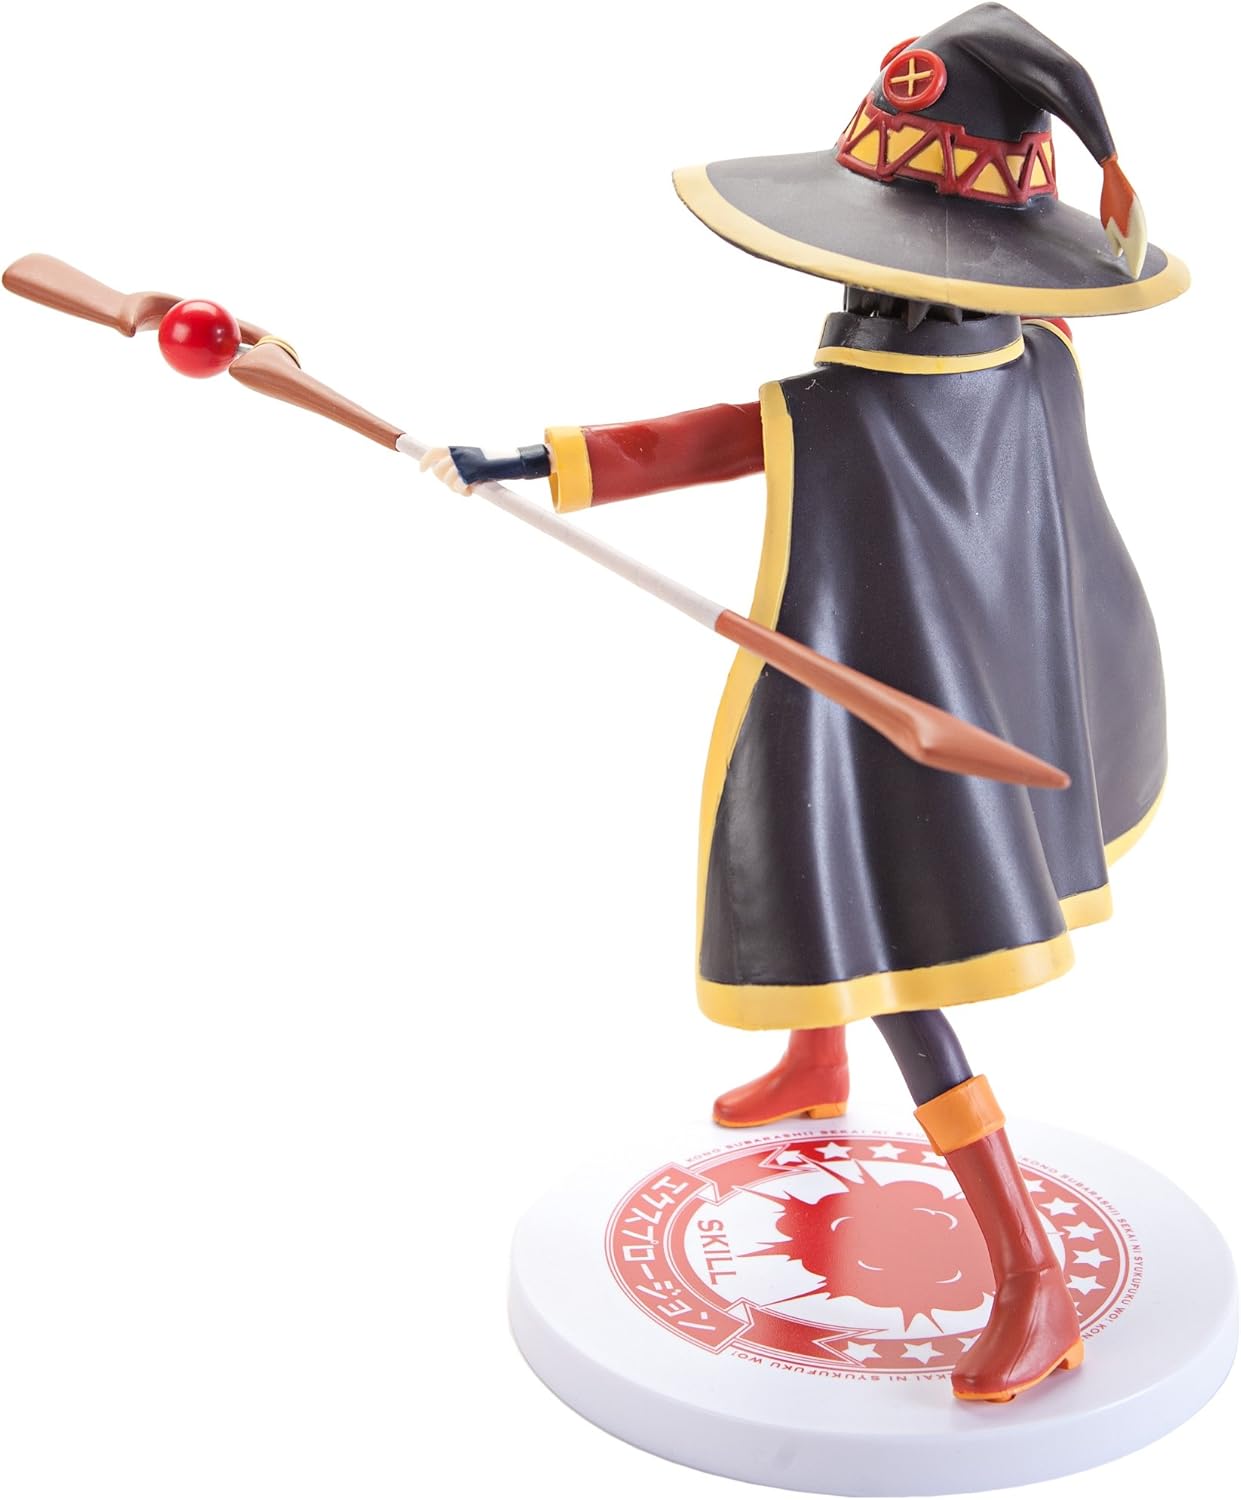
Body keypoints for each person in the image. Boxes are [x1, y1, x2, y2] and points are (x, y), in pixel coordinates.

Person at [423, 3, 1187, 1402]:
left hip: (915, 740)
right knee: (824, 878)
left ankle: (1029, 1273)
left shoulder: (852, 410)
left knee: (894, 953)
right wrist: (522, 458)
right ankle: (811, 1058)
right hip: (960, 702)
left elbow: (709, 440)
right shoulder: (1034, 367)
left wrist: (519, 459)